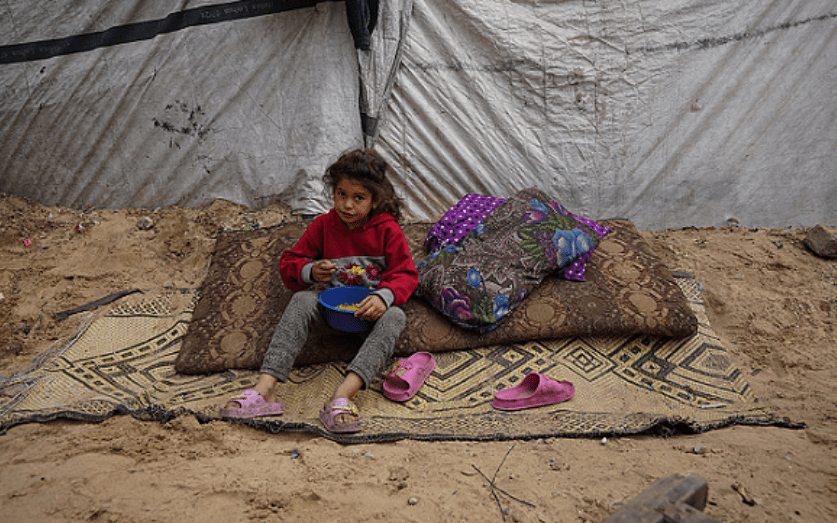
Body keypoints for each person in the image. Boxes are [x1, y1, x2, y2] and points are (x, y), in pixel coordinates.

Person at [220, 149, 418, 433]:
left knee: (396, 316)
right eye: (341, 194)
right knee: (302, 299)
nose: (347, 204)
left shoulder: (388, 231)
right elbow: (290, 262)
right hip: (331, 315)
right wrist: (310, 271)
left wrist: (383, 297)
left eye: (358, 198)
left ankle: (342, 397)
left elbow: (406, 274)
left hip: (369, 318)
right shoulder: (324, 226)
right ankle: (265, 389)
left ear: (375, 200)